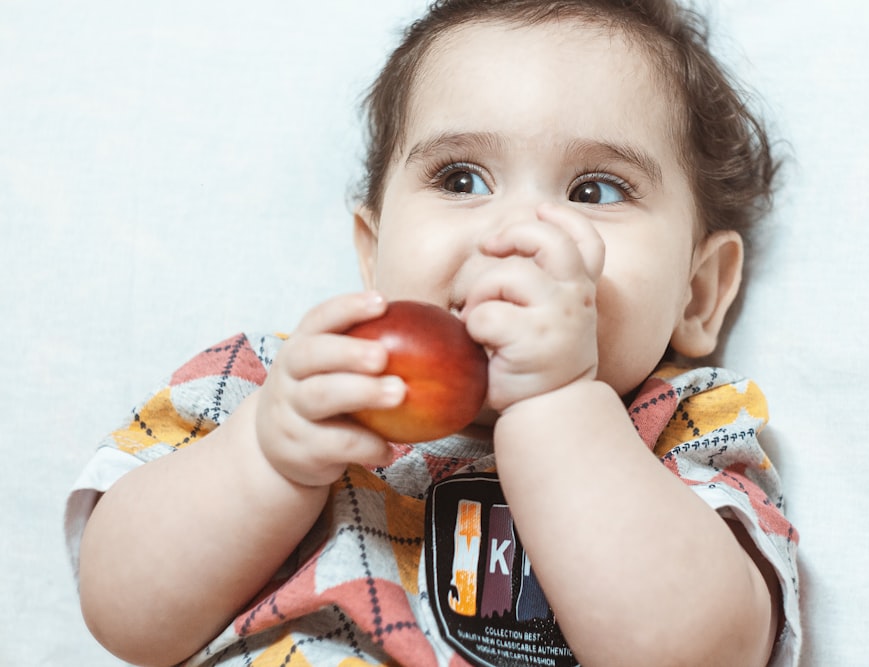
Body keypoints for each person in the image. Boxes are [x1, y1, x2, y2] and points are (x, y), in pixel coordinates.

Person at [66, 1, 801, 665]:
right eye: (460, 179)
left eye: (594, 190)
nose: (516, 235)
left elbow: (703, 653)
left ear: (698, 293)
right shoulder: (282, 383)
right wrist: (266, 458)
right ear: (372, 253)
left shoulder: (682, 434)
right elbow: (122, 613)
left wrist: (557, 407)